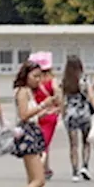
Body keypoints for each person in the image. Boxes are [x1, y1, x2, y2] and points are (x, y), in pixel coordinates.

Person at [2, 60, 57, 187]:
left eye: (40, 76)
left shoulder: (29, 92)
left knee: (33, 179)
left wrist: (47, 110)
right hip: (28, 134)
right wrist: (43, 105)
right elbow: (24, 114)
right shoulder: (23, 92)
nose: (38, 80)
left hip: (33, 130)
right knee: (39, 180)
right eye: (35, 76)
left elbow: (32, 114)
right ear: (25, 76)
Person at [60, 55, 94, 182]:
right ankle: (85, 166)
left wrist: (63, 115)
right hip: (84, 113)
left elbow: (61, 100)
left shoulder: (65, 81)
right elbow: (90, 96)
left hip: (71, 113)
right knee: (86, 142)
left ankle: (74, 172)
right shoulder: (84, 79)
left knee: (73, 144)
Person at [29, 52, 59, 180]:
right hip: (49, 115)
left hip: (36, 113)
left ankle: (45, 169)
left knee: (40, 142)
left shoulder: (33, 82)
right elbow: (58, 96)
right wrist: (56, 108)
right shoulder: (52, 81)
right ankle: (41, 169)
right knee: (45, 143)